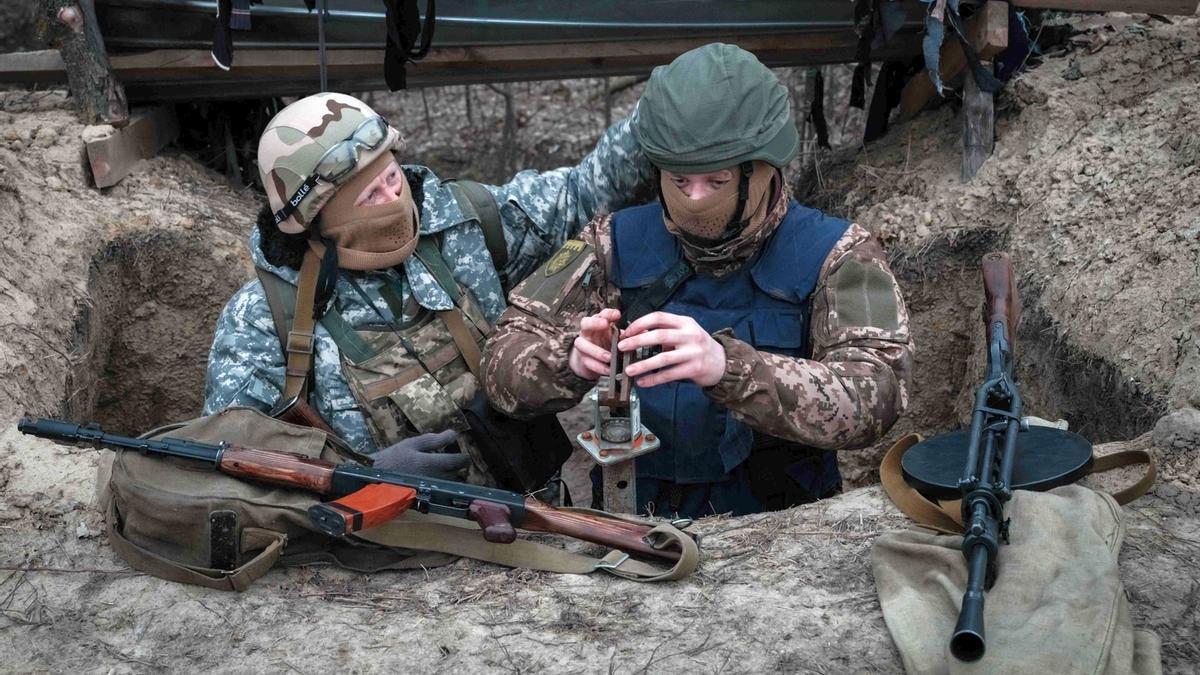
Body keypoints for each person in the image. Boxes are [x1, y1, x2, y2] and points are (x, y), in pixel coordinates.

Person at [481, 44, 914, 519]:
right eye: (679, 181)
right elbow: (501, 360)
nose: (694, 200)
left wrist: (728, 368)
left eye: (716, 182)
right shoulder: (612, 241)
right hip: (633, 519)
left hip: (780, 531)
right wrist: (569, 360)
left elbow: (879, 394)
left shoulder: (837, 253)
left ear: (764, 168)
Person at [203, 92, 654, 489]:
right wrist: (357, 475)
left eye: (393, 178)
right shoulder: (265, 315)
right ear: (320, 216)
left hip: (532, 520)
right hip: (388, 562)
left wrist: (662, 109)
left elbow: (580, 194)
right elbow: (232, 462)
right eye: (370, 196)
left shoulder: (461, 223)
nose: (394, 199)